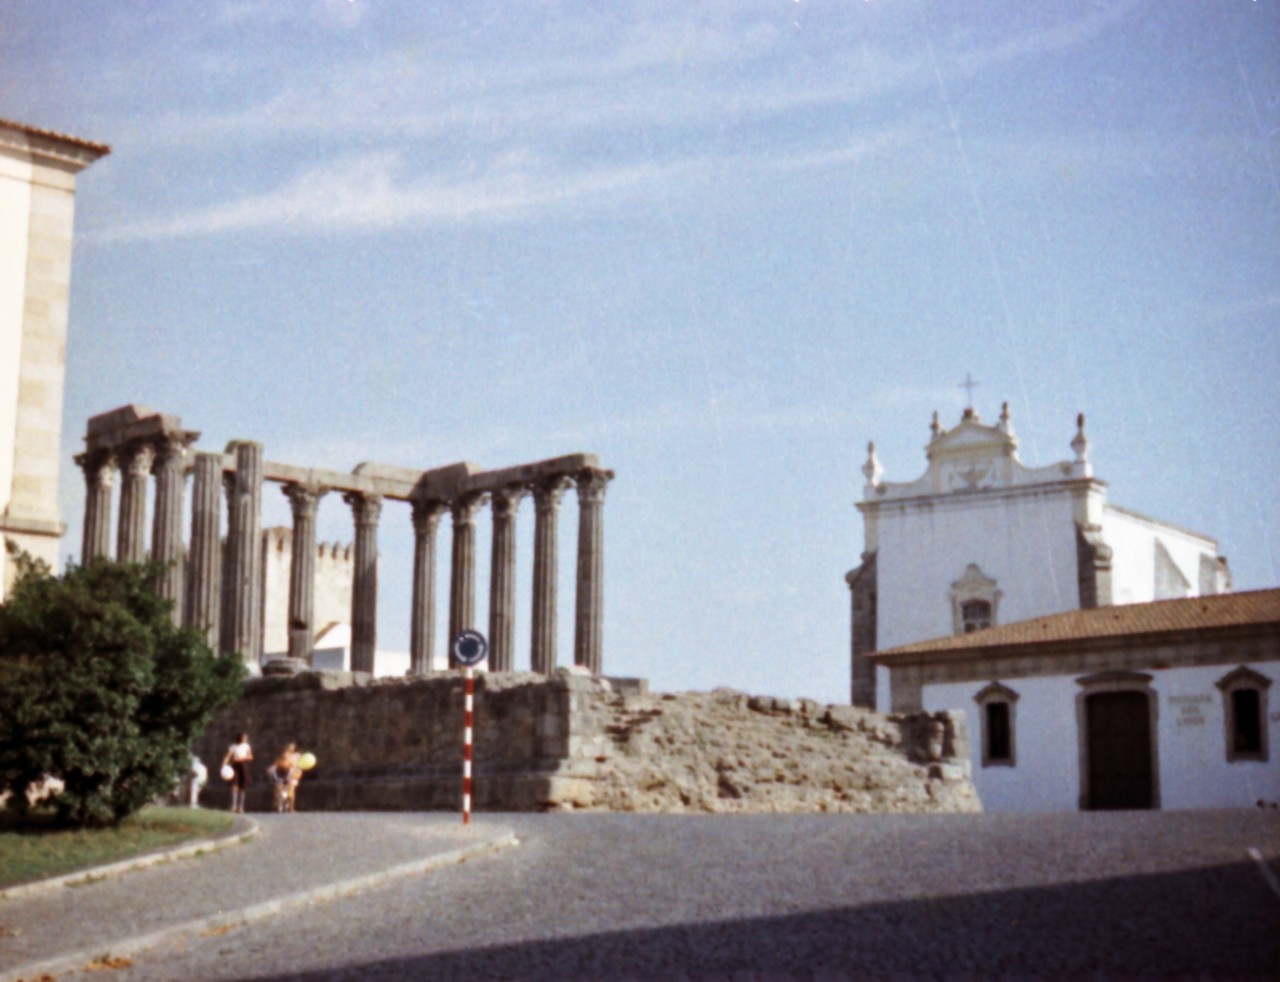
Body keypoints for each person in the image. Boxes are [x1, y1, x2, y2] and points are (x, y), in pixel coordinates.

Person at [223, 732, 253, 813]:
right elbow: (228, 756)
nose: (245, 739)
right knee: (234, 785)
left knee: (242, 787)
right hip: (235, 766)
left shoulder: (246, 746)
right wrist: (224, 764)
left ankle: (241, 806)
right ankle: (234, 806)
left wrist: (242, 758)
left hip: (243, 766)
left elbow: (250, 757)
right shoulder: (233, 746)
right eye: (244, 738)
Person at [269, 742, 302, 813]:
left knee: (291, 792)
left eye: (292, 746)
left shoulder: (297, 755)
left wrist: (298, 771)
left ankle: (291, 807)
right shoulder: (282, 757)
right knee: (279, 790)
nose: (291, 748)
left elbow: (299, 765)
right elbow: (276, 765)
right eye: (289, 746)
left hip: (293, 774)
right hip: (283, 775)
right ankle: (278, 805)